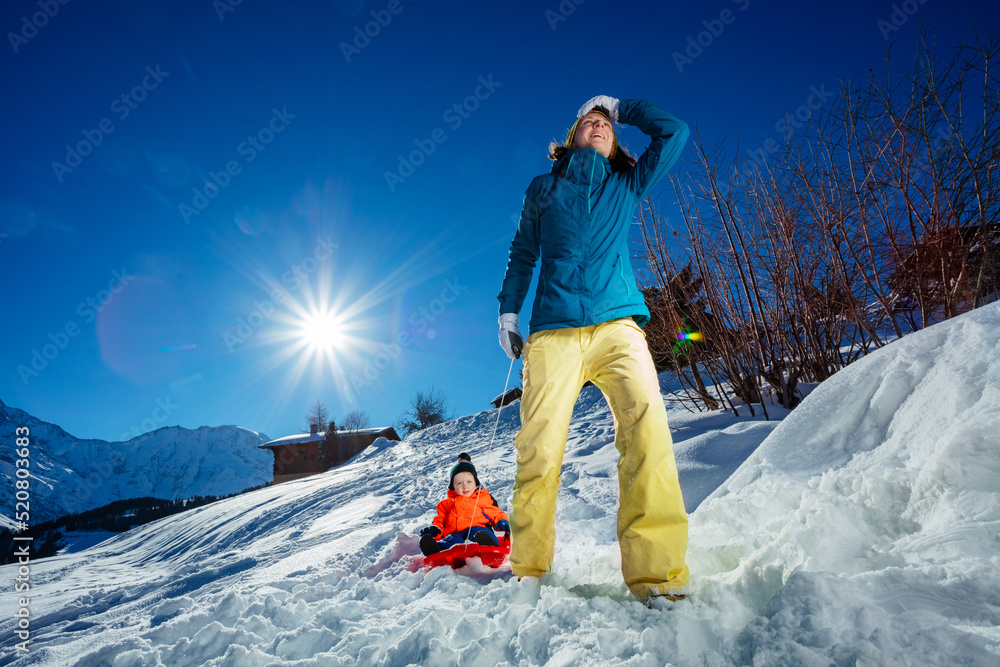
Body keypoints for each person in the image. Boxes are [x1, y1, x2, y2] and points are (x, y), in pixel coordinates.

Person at [496, 95, 690, 604]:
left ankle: (657, 578)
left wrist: (623, 106)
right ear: (572, 137)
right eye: (590, 122)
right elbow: (522, 253)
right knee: (539, 448)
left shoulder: (626, 184)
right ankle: (529, 571)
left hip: (617, 329)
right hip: (553, 332)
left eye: (606, 124)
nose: (599, 127)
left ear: (615, 139)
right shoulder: (544, 189)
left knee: (647, 434)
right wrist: (509, 312)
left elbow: (676, 132)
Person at [419, 453, 510, 556]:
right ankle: (436, 550)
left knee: (481, 534)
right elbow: (440, 520)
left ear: (476, 483)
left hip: (479, 528)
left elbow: (494, 512)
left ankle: (488, 545)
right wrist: (435, 528)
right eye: (459, 483)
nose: (465, 486)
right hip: (455, 533)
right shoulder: (446, 504)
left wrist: (502, 520)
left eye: (469, 482)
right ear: (453, 487)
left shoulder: (481, 497)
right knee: (450, 540)